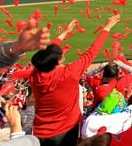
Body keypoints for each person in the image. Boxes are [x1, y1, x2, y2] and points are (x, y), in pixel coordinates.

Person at [30, 14, 120, 146]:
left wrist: (64, 33)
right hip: (66, 130)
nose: (63, 52)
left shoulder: (35, 73)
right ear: (56, 61)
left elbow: (47, 54)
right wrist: (107, 28)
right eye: (61, 53)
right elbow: (91, 52)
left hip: (40, 132)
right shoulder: (69, 73)